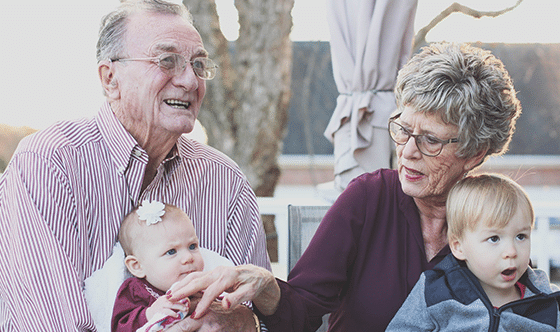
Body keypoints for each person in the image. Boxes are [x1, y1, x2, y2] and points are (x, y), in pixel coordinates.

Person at [165, 42, 523, 332]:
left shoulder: (499, 217)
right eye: (402, 129)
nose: (408, 152)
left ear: (474, 153)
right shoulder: (369, 199)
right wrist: (267, 285)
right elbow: (301, 312)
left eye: (430, 140)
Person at [0, 1, 270, 330]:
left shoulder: (225, 181)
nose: (189, 81)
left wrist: (236, 321)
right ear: (110, 77)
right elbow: (48, 323)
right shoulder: (49, 163)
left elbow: (260, 314)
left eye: (199, 65)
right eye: (167, 60)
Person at [386, 174, 560, 331]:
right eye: (494, 239)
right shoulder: (437, 291)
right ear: (458, 247)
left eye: (521, 236)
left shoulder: (546, 302)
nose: (511, 251)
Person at [112, 201, 204, 331]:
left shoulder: (204, 286)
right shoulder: (136, 290)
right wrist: (148, 314)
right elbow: (119, 327)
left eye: (192, 246)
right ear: (137, 266)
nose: (188, 257)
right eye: (171, 251)